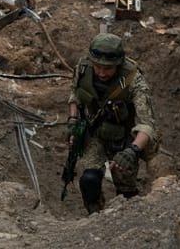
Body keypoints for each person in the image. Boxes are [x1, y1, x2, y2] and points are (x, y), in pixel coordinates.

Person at [66, 33, 159, 214]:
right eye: (98, 67)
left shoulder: (134, 80)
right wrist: (72, 120)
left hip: (123, 138)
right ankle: (95, 216)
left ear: (118, 64)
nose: (101, 73)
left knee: (126, 192)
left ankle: (127, 221)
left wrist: (133, 150)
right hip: (95, 133)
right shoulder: (84, 68)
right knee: (89, 180)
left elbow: (147, 124)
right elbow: (75, 95)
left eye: (108, 68)